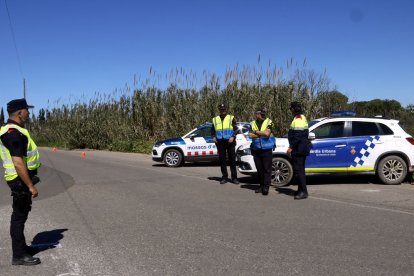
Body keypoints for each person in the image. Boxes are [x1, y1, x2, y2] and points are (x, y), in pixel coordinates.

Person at [0, 98, 41, 265]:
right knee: (18, 216)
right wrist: (30, 186)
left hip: (19, 180)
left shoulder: (14, 129)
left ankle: (22, 247)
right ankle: (18, 255)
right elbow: (18, 162)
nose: (28, 113)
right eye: (26, 110)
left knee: (21, 215)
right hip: (19, 181)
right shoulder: (13, 132)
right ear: (19, 113)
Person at [287, 101, 311, 200]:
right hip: (299, 148)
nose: (291, 111)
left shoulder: (299, 119)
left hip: (299, 148)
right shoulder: (299, 118)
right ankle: (301, 189)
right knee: (300, 170)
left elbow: (298, 136)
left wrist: (291, 147)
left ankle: (303, 192)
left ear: (294, 109)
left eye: (291, 109)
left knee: (299, 170)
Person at [249, 107, 275, 195]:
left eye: (263, 114)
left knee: (267, 169)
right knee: (259, 169)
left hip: (266, 149)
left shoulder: (269, 122)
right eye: (261, 114)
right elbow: (250, 135)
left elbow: (267, 134)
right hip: (256, 149)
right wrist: (261, 134)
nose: (262, 115)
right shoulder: (252, 123)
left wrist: (256, 132)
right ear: (257, 114)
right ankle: (261, 185)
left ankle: (266, 187)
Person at [212, 103, 239, 184]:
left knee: (232, 160)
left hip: (230, 141)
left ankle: (234, 178)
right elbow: (212, 129)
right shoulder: (215, 119)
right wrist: (213, 136)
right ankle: (224, 177)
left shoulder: (231, 117)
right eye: (221, 109)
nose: (222, 111)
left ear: (226, 109)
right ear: (219, 110)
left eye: (223, 109)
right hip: (220, 142)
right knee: (222, 160)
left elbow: (236, 129)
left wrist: (233, 136)